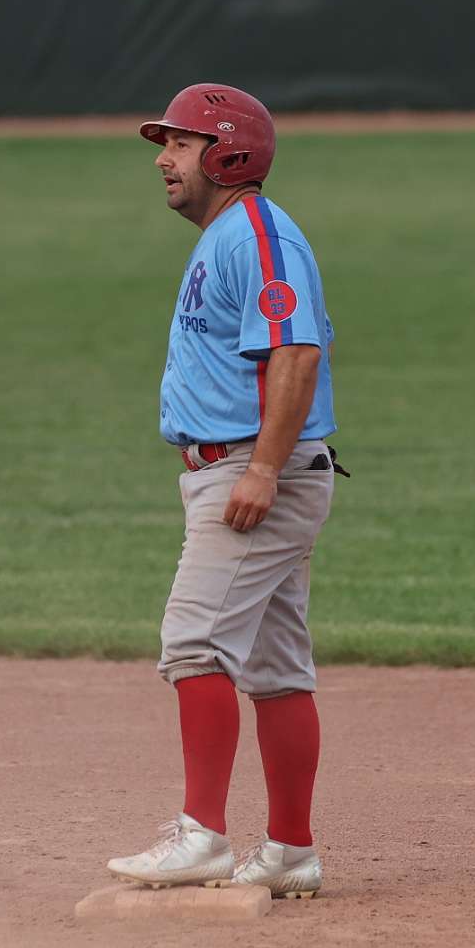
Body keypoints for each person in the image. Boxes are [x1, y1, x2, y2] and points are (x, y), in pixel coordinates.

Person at [105, 83, 344, 900]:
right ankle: (290, 852)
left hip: (252, 471)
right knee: (276, 667)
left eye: (181, 143)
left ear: (229, 152)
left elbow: (297, 353)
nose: (164, 160)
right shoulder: (229, 236)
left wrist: (263, 469)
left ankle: (202, 835)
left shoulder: (260, 237)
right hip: (245, 468)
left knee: (194, 645)